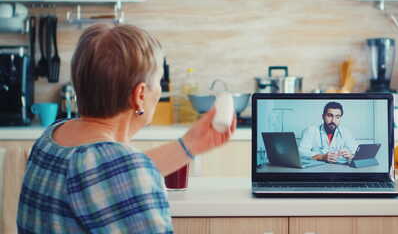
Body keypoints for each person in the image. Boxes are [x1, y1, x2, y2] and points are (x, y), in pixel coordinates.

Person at [17, 24, 236, 233]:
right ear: (140, 95)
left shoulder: (51, 138)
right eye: (159, 81)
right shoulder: (117, 166)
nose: (159, 90)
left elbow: (108, 175)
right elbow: (118, 172)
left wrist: (190, 145)